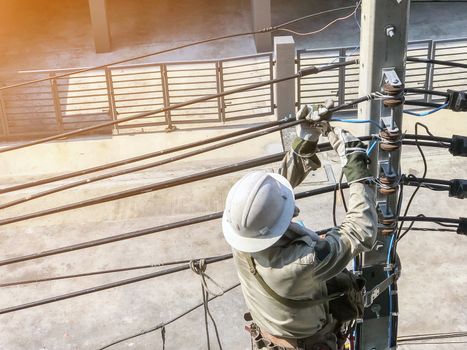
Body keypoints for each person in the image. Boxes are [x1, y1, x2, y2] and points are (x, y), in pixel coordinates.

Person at [221, 105, 378, 350]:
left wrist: (307, 138)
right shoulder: (301, 265)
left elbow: (269, 198)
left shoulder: (242, 232)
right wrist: (356, 168)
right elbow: (361, 230)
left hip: (271, 337)